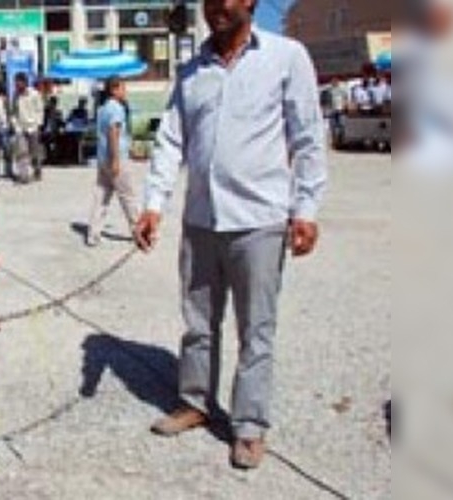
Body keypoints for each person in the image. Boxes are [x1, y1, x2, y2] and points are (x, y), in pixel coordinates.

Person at [135, 0, 328, 470]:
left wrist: (306, 208)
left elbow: (307, 136)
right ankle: (196, 402)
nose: (217, 6)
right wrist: (153, 204)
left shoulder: (286, 57)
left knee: (256, 328)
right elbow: (171, 140)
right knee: (198, 323)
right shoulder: (192, 71)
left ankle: (248, 425)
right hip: (201, 218)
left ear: (251, 3)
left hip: (259, 220)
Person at [86, 77, 139, 247]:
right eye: (123, 88)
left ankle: (93, 233)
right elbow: (113, 133)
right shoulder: (116, 109)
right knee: (127, 196)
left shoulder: (102, 109)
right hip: (116, 158)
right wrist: (116, 159)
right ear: (114, 90)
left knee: (101, 196)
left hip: (102, 158)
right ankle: (139, 231)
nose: (125, 92)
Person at [12, 72, 44, 182]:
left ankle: (37, 169)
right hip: (21, 127)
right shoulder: (16, 95)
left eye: (18, 82)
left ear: (24, 82)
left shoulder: (34, 94)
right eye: (15, 82)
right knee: (22, 152)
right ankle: (23, 175)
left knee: (34, 152)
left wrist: (37, 124)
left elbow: (39, 110)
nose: (16, 85)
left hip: (33, 127)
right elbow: (13, 112)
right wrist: (15, 125)